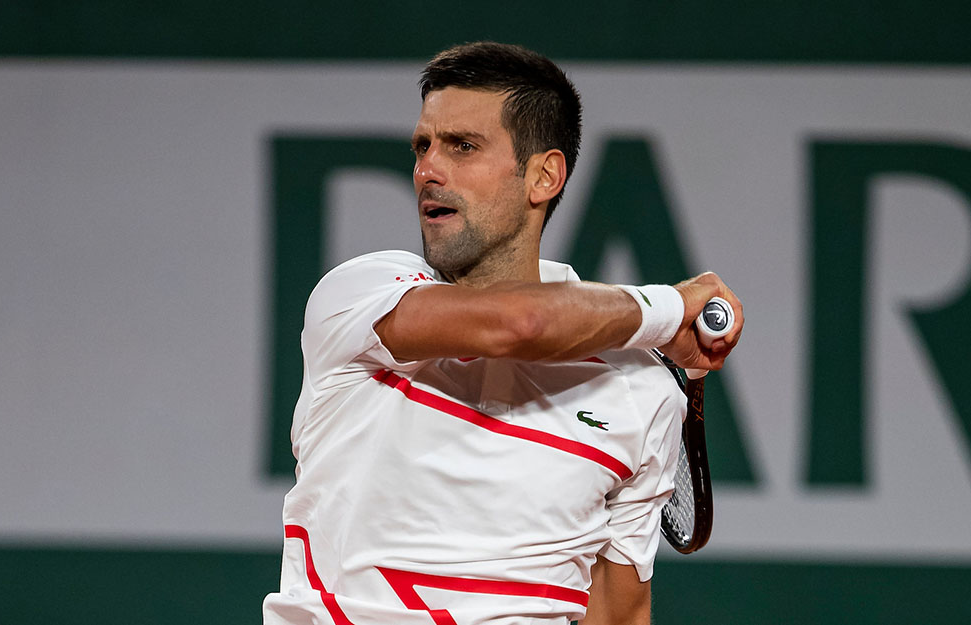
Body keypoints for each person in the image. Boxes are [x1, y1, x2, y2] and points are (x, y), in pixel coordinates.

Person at [262, 42, 743, 625]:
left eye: (462, 147)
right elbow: (521, 323)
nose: (427, 171)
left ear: (544, 176)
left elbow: (618, 614)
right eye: (423, 146)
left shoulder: (642, 389)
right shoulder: (362, 295)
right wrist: (673, 306)